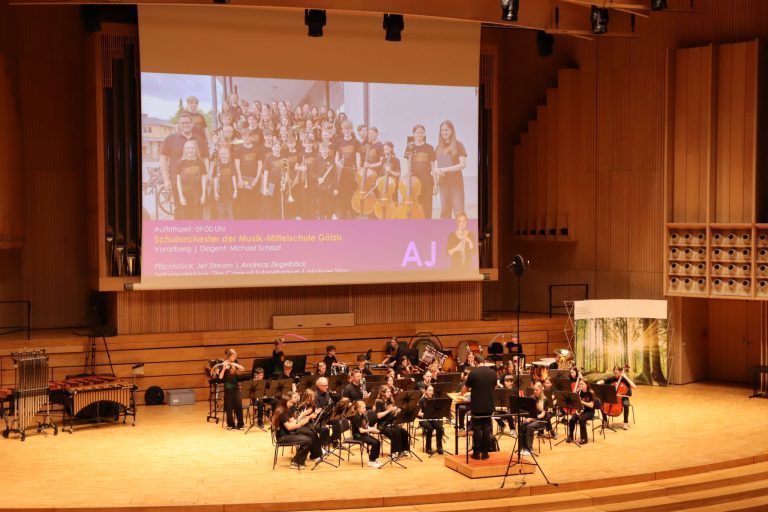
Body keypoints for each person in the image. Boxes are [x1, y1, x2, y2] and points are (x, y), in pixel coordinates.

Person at [272, 397, 320, 469]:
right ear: (284, 403)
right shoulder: (281, 413)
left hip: (289, 433)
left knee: (309, 438)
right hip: (283, 437)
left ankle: (298, 460)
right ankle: (296, 462)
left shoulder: (285, 410)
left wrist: (304, 417)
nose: (291, 404)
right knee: (307, 440)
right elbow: (289, 427)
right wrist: (301, 423)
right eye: (289, 402)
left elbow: (293, 422)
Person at [462, 359, 496, 460]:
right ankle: (485, 453)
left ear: (476, 362)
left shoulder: (473, 373)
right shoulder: (492, 372)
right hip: (489, 405)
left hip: (477, 406)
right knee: (486, 428)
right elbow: (494, 388)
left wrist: (462, 393)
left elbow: (465, 389)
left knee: (477, 429)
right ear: (484, 362)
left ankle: (476, 453)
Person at [434, 120, 467, 219]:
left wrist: (446, 169)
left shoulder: (458, 145)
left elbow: (463, 164)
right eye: (442, 130)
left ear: (452, 131)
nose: (444, 132)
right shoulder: (438, 147)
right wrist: (436, 171)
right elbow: (437, 167)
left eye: (447, 130)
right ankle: (444, 234)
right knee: (445, 214)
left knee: (459, 213)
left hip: (456, 183)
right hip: (443, 183)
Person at [405, 124, 436, 219]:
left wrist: (435, 184)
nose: (420, 134)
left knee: (427, 205)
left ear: (424, 134)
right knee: (415, 203)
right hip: (414, 181)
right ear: (413, 134)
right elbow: (407, 164)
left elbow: (433, 166)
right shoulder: (409, 147)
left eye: (422, 132)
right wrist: (407, 175)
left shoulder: (429, 147)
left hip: (427, 180)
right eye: (417, 132)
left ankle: (427, 225)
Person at [334, 120, 362, 219]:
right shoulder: (339, 142)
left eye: (348, 129)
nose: (346, 130)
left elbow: (358, 156)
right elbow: (336, 155)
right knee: (342, 193)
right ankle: (344, 214)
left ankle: (352, 213)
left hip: (352, 171)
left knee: (351, 192)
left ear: (351, 129)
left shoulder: (356, 142)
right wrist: (337, 163)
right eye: (344, 129)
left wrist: (358, 169)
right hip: (342, 172)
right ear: (342, 130)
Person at [173, 140, 207, 220]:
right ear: (185, 149)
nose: (190, 150)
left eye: (192, 148)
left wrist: (203, 194)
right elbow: (178, 181)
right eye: (188, 148)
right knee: (185, 217)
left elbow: (203, 180)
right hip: (185, 194)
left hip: (197, 194)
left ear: (196, 150)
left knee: (197, 217)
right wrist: (181, 196)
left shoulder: (201, 163)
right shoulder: (180, 163)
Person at [375, 386, 410, 458]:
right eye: (388, 392)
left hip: (391, 423)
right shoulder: (379, 402)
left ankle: (402, 451)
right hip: (382, 425)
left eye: (390, 392)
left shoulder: (390, 400)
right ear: (383, 393)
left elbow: (393, 414)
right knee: (395, 433)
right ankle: (393, 453)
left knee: (404, 432)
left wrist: (397, 411)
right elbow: (378, 416)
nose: (390, 393)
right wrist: (389, 410)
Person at [518, 383, 549, 456]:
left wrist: (532, 419)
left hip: (541, 420)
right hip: (532, 418)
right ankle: (522, 447)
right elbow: (528, 411)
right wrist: (527, 418)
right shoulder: (531, 398)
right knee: (521, 424)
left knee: (529, 426)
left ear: (541, 390)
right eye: (534, 390)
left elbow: (542, 415)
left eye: (537, 390)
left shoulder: (545, 399)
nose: (535, 391)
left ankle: (529, 448)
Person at [219, 348, 245, 430]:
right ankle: (231, 425)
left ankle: (240, 424)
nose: (235, 358)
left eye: (235, 356)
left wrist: (235, 365)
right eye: (234, 356)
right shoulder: (224, 364)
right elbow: (220, 377)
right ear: (229, 356)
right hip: (228, 389)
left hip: (236, 388)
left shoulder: (235, 362)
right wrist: (224, 368)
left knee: (239, 406)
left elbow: (242, 369)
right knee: (229, 408)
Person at [350, 400, 382, 468]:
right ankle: (371, 461)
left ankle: (374, 459)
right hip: (357, 435)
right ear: (358, 409)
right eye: (363, 408)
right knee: (375, 443)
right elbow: (361, 431)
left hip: (363, 434)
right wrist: (371, 429)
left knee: (377, 442)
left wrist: (373, 429)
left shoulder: (362, 415)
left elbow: (365, 426)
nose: (365, 409)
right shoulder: (357, 417)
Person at [567, 380, 595, 445]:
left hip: (590, 412)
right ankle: (570, 436)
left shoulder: (591, 393)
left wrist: (581, 402)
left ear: (586, 385)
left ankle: (584, 438)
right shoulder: (580, 392)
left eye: (582, 384)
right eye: (580, 384)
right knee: (572, 420)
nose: (580, 386)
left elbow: (591, 405)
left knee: (581, 419)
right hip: (582, 410)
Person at [418, 385, 444, 455]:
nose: (430, 392)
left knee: (440, 427)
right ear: (425, 391)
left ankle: (439, 447)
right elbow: (418, 413)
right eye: (429, 390)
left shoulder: (434, 400)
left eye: (432, 390)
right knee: (430, 428)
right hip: (423, 420)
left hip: (432, 419)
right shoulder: (421, 400)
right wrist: (425, 414)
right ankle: (428, 448)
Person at [213, 146, 238, 220]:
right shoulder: (217, 166)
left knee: (229, 211)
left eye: (225, 153)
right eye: (222, 154)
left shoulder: (231, 165)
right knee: (221, 212)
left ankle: (230, 229)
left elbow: (234, 178)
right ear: (219, 155)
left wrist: (235, 191)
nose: (223, 155)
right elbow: (215, 180)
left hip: (229, 191)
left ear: (229, 154)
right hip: (220, 192)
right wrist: (215, 192)